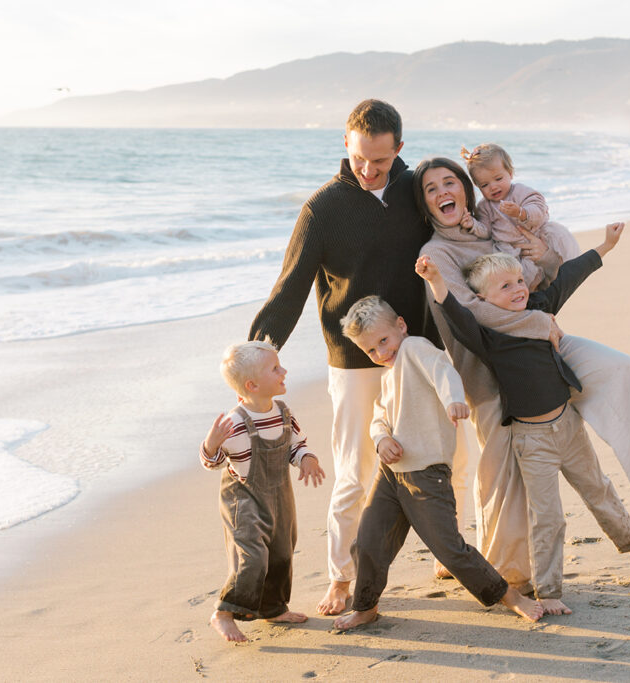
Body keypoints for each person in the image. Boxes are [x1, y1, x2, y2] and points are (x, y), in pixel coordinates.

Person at [414, 157, 630, 588]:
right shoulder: (436, 253)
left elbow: (541, 284)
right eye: (431, 188)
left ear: (466, 189)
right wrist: (539, 324)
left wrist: (549, 256)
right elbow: (472, 315)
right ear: (424, 203)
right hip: (492, 371)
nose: (442, 192)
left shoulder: (489, 225)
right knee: (501, 478)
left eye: (450, 182)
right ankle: (505, 571)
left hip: (546, 351)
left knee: (619, 368)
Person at [249, 100, 462, 616]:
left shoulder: (417, 192)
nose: (369, 171)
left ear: (399, 151)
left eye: (381, 162)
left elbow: (465, 222)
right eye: (360, 159)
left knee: (440, 459)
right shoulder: (322, 209)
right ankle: (342, 577)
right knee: (354, 470)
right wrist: (258, 354)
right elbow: (291, 287)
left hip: (419, 350)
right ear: (347, 145)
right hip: (353, 359)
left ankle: (448, 554)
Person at [417, 226, 630, 615]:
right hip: (532, 441)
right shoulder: (489, 336)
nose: (517, 290)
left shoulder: (541, 309)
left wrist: (605, 247)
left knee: (599, 489)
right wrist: (437, 280)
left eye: (517, 281)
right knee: (547, 517)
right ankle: (549, 590)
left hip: (569, 426)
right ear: (484, 300)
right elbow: (457, 318)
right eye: (504, 287)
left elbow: (569, 277)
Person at [332, 296, 543, 629]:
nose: (381, 353)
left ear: (401, 325)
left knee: (449, 549)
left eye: (384, 341)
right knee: (369, 540)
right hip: (390, 476)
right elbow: (379, 417)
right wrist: (382, 439)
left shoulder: (414, 349)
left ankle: (509, 596)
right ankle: (366, 606)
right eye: (371, 350)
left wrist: (453, 400)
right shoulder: (388, 378)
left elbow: (442, 370)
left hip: (426, 473)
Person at [199, 340, 326, 642]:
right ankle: (225, 612)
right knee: (253, 556)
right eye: (275, 368)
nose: (284, 370)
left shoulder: (282, 412)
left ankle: (273, 608)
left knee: (282, 550)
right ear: (252, 385)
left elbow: (296, 444)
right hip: (243, 498)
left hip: (279, 494)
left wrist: (307, 458)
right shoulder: (234, 423)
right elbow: (212, 462)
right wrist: (211, 444)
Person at [459, 143, 581, 291]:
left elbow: (538, 208)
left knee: (559, 241)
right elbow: (486, 231)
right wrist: (472, 224)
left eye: (498, 179)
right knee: (514, 273)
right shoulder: (485, 207)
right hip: (510, 248)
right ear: (477, 186)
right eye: (484, 185)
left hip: (537, 234)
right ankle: (530, 292)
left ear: (510, 173)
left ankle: (559, 276)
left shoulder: (521, 192)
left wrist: (521, 213)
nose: (493, 187)